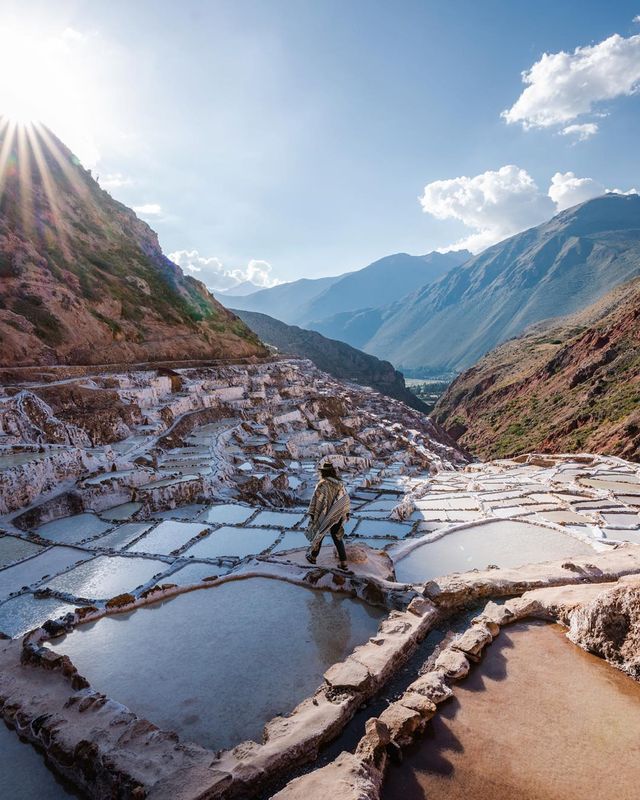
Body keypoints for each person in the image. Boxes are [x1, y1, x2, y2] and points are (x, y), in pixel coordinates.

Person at [305, 461, 351, 570]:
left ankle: (313, 557)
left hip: (323, 514)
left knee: (319, 534)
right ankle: (344, 563)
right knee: (337, 537)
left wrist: (312, 514)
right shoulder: (340, 485)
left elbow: (315, 501)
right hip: (337, 515)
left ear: (323, 473)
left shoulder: (322, 485)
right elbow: (345, 500)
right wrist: (346, 513)